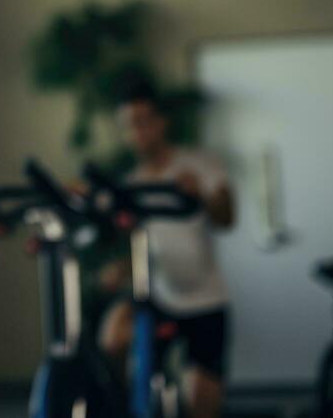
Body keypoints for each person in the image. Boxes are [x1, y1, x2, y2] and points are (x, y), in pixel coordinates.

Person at [98, 83, 235, 418]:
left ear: (161, 123)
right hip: (159, 296)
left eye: (144, 121)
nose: (138, 132)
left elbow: (227, 217)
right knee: (113, 336)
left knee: (199, 400)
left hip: (205, 300)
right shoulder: (132, 183)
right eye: (130, 125)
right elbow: (139, 245)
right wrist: (122, 269)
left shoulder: (200, 164)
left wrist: (200, 194)